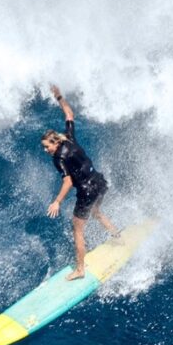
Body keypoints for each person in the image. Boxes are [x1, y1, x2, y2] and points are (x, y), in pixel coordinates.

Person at [41, 84, 120, 280]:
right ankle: (117, 237)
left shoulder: (59, 158)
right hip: (100, 182)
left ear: (55, 142)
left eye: (46, 147)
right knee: (96, 212)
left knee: (77, 229)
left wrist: (57, 201)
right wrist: (59, 97)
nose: (46, 150)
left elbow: (67, 183)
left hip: (87, 191)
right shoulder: (69, 138)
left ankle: (80, 270)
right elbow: (69, 114)